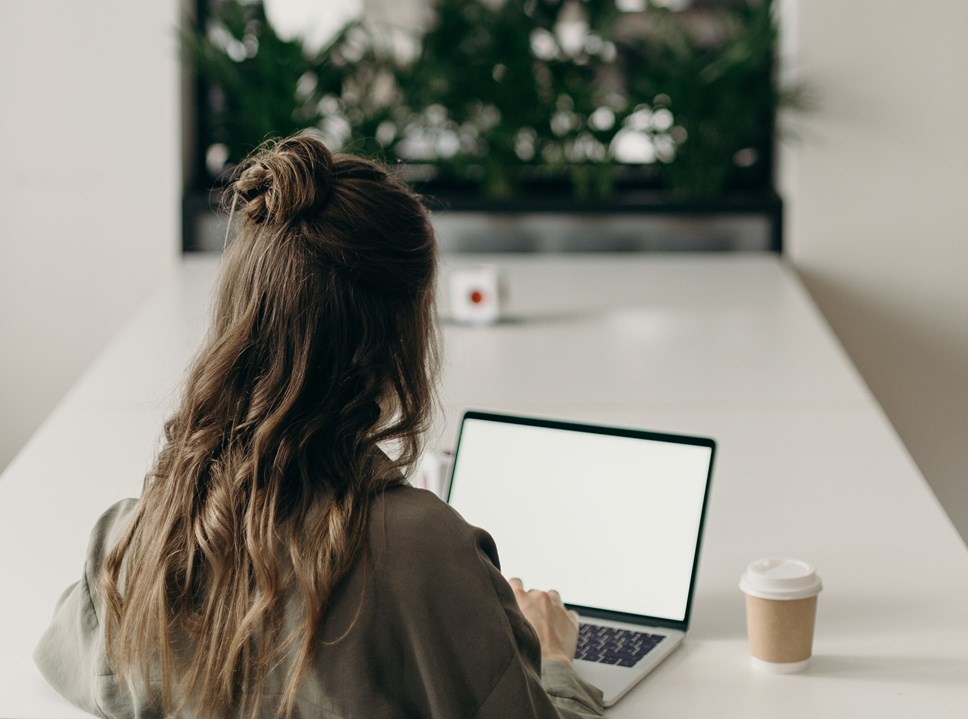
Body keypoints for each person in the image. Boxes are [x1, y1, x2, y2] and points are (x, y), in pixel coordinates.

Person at [34, 133, 606, 719]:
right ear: (400, 339)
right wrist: (556, 661)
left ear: (238, 318)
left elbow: (73, 659)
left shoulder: (136, 539)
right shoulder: (426, 555)